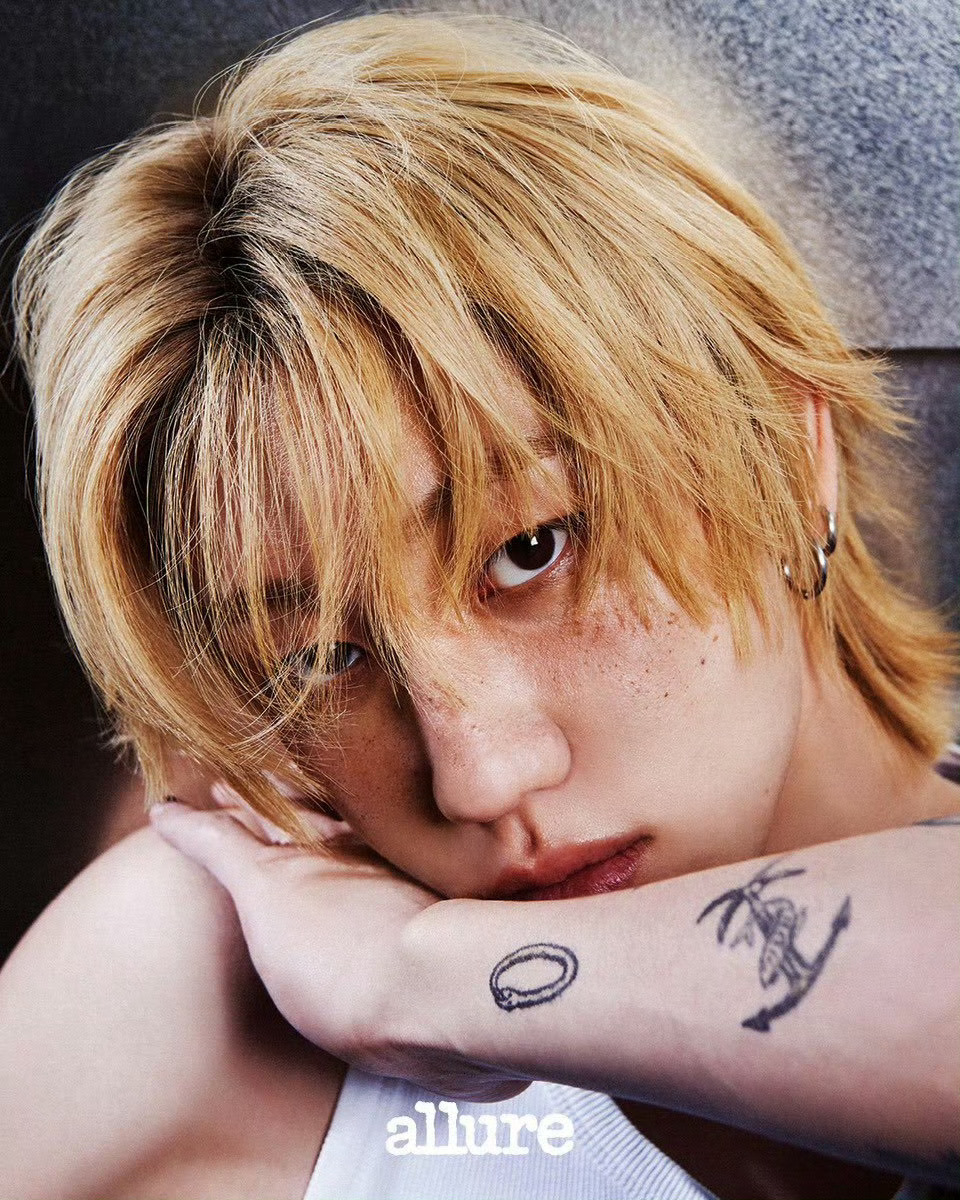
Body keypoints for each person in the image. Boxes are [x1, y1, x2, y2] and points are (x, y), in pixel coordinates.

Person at [1, 10, 957, 1200]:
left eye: (529, 549)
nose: (478, 780)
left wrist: (420, 981)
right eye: (317, 659)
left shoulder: (373, 970)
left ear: (787, 454)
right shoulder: (200, 996)